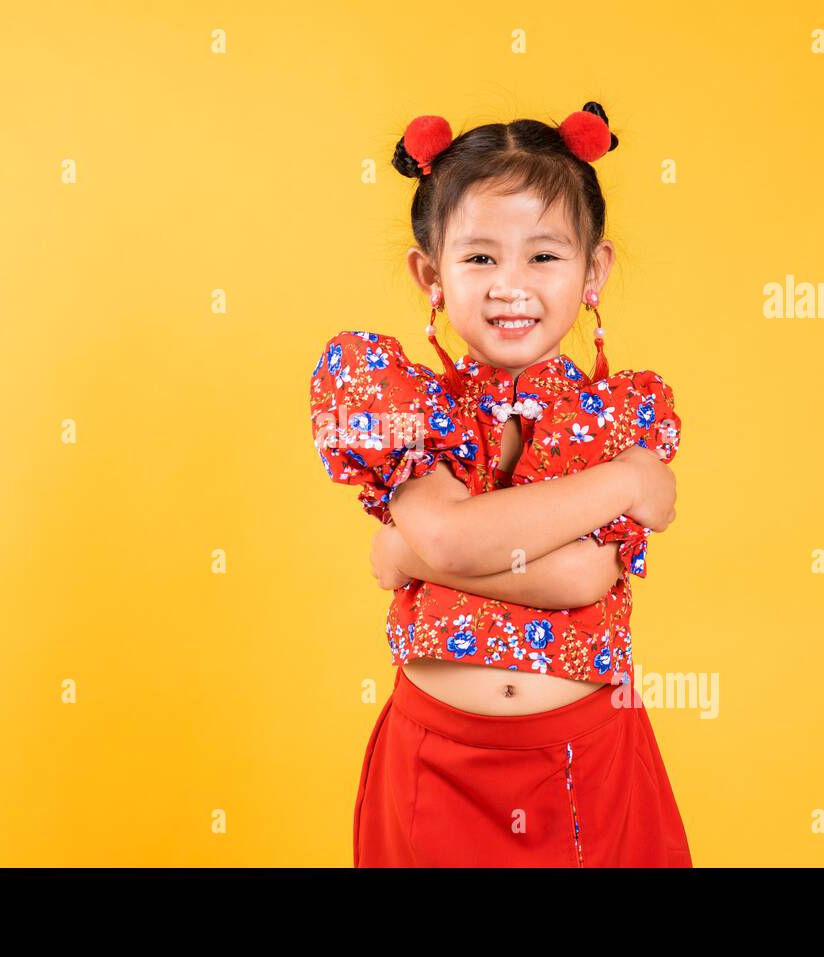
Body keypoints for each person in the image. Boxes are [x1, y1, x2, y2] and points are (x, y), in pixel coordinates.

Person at [309, 101, 692, 867]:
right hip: (435, 764)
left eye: (544, 256)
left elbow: (585, 574)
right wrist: (623, 482)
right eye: (480, 257)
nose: (510, 285)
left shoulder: (621, 411)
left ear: (594, 271)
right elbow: (456, 535)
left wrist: (407, 554)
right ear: (431, 274)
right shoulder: (402, 398)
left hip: (585, 761)